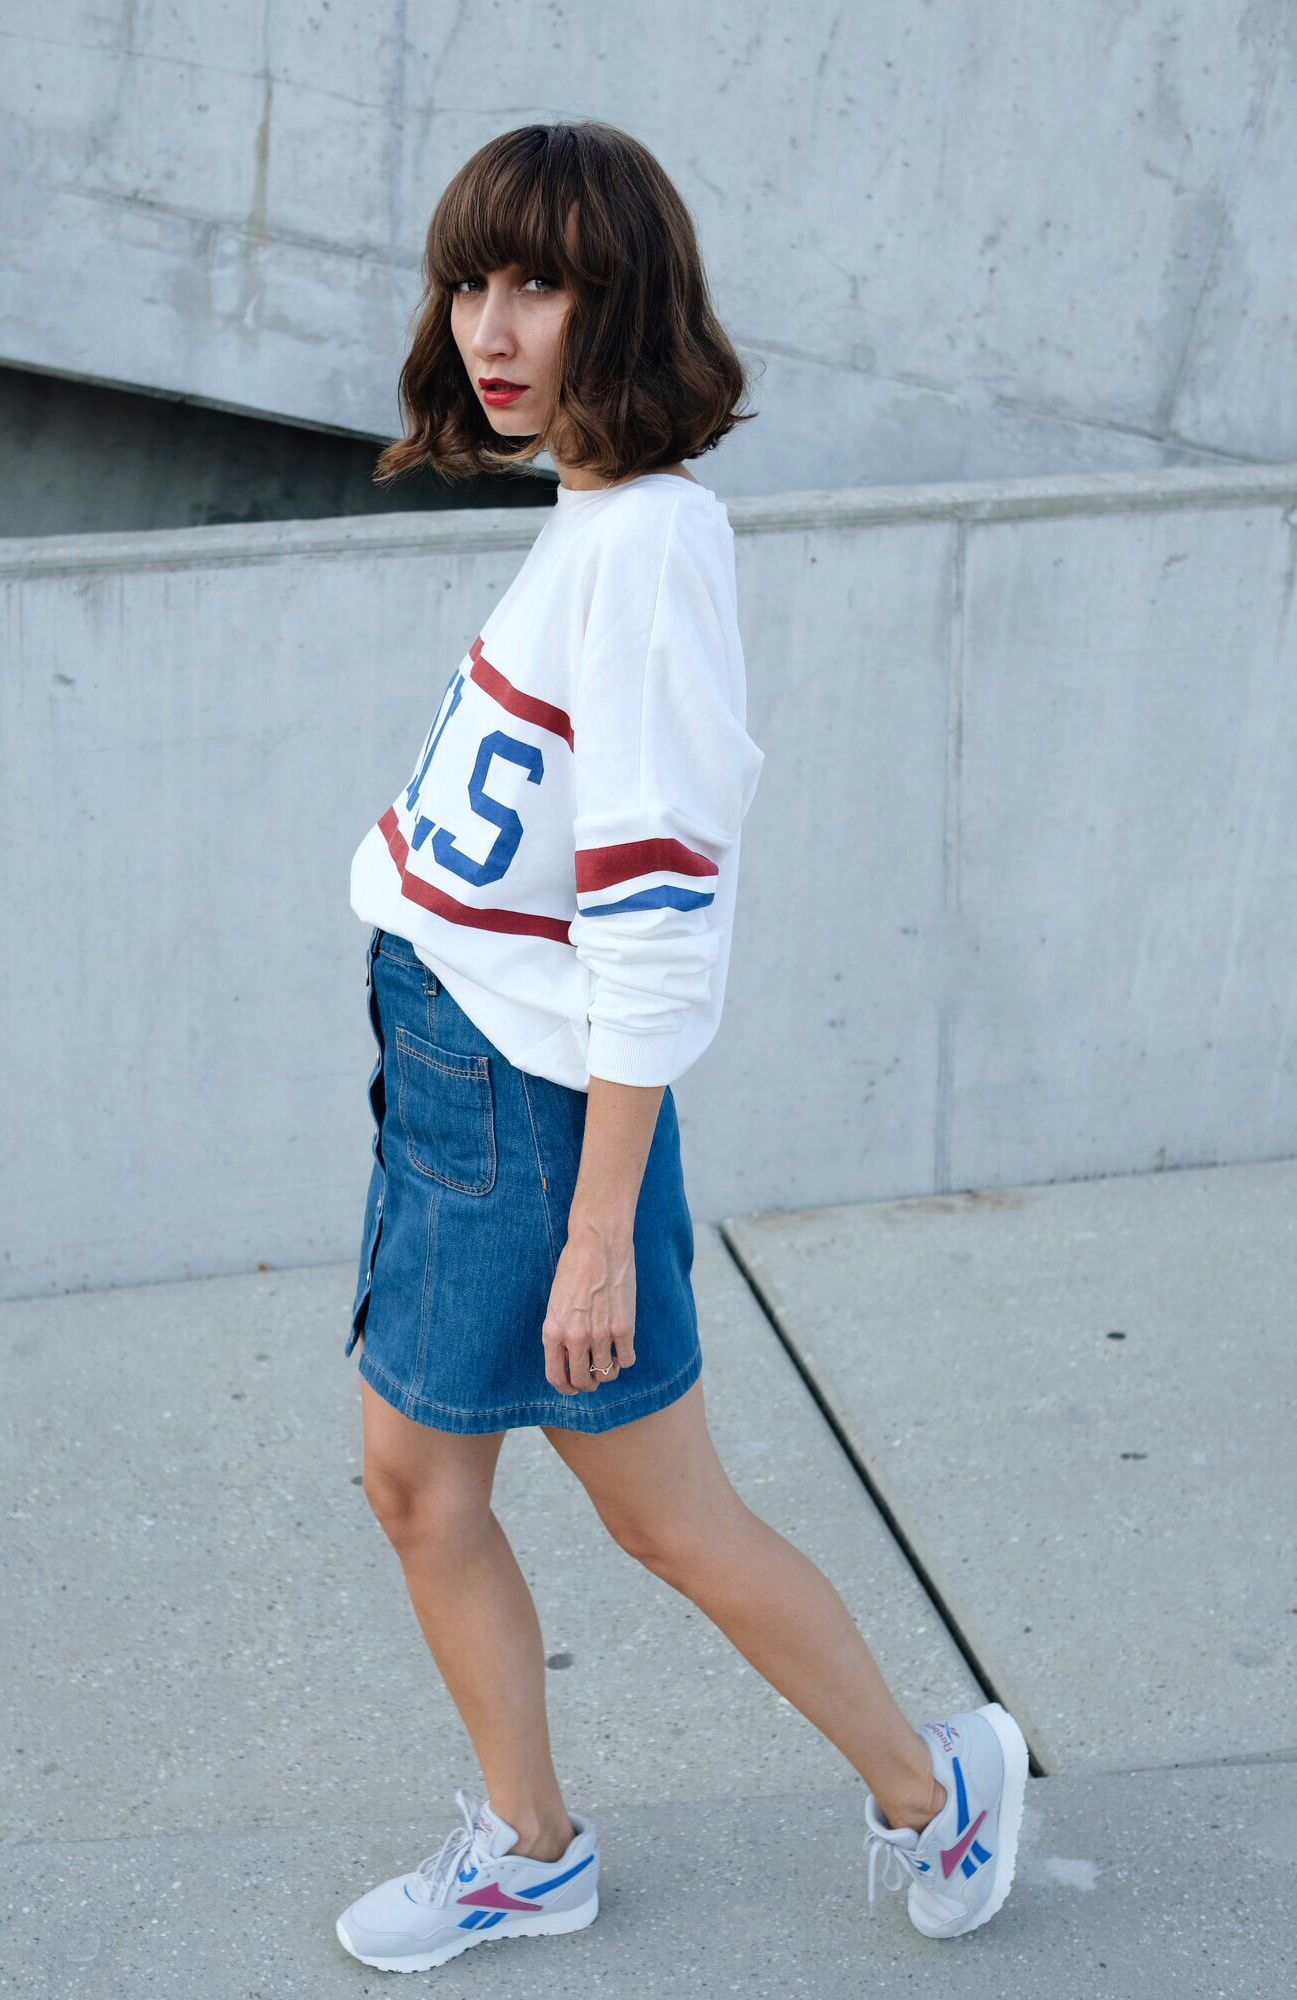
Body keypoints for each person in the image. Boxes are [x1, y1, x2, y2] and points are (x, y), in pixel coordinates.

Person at [335, 120, 1028, 1973]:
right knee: (422, 1486)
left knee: (663, 1518)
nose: (492, 329)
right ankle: (531, 1848)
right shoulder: (595, 523)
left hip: (537, 1114)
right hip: (458, 1077)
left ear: (625, 305)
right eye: (471, 282)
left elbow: (654, 919)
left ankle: (933, 1787)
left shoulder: (649, 548)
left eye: (540, 286)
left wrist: (594, 1231)